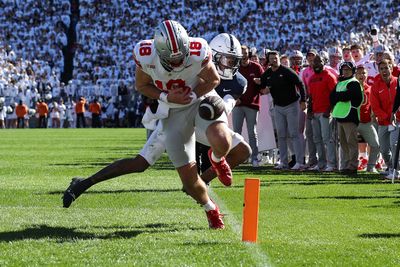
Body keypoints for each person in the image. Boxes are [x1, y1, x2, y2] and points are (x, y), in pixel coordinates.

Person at [64, 21, 234, 229]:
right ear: (159, 52)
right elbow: (141, 85)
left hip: (199, 101)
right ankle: (210, 209)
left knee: (224, 141)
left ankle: (216, 159)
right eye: (172, 59)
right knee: (186, 180)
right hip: (171, 112)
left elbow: (213, 80)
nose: (179, 62)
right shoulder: (145, 54)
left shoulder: (198, 50)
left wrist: (191, 95)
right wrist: (165, 95)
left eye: (182, 56)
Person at [195, 33, 251, 176]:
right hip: (193, 121)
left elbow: (226, 107)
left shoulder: (239, 82)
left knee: (210, 157)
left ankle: (204, 181)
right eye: (227, 59)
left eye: (234, 60)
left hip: (215, 123)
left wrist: (219, 105)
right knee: (192, 159)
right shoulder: (199, 71)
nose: (230, 64)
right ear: (214, 56)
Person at [256, 50, 307, 170]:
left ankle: (300, 161)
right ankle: (284, 162)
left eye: (276, 58)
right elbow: (261, 85)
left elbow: (300, 83)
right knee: (281, 135)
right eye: (272, 58)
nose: (274, 60)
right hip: (278, 106)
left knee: (294, 133)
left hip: (292, 105)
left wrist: (303, 100)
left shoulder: (286, 71)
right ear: (268, 61)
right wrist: (261, 84)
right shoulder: (268, 73)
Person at [233, 45, 265, 167]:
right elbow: (229, 82)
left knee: (252, 132)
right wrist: (235, 98)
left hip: (252, 104)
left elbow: (264, 82)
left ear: (249, 53)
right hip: (238, 104)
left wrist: (260, 82)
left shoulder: (256, 66)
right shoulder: (234, 67)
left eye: (245, 52)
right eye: (241, 52)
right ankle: (237, 158)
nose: (244, 54)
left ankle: (255, 158)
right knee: (236, 133)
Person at [330, 62, 363, 175]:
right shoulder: (340, 83)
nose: (345, 71)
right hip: (340, 116)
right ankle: (346, 166)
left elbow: (349, 96)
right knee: (344, 144)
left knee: (351, 143)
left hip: (350, 116)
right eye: (344, 69)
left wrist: (340, 96)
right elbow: (332, 97)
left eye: (348, 69)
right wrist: (342, 96)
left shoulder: (354, 83)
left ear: (352, 70)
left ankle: (353, 167)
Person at [308, 55, 338, 171]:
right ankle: (321, 164)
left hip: (325, 112)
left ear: (324, 62)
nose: (316, 64)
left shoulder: (329, 76)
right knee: (317, 139)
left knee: (327, 138)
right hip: (315, 112)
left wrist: (329, 110)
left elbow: (334, 95)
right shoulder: (312, 78)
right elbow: (310, 96)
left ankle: (332, 164)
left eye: (318, 61)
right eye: (314, 62)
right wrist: (310, 111)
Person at [371, 59, 399, 179]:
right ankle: (389, 167)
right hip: (383, 122)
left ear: (391, 69)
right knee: (383, 149)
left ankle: (395, 170)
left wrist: (394, 117)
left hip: (397, 121)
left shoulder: (398, 82)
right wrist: (387, 117)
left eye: (386, 68)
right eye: (381, 69)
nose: (384, 71)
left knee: (395, 144)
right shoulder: (375, 86)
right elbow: (375, 106)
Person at [355, 65, 379, 173]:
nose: (362, 75)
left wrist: (373, 115)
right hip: (353, 122)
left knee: (375, 144)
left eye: (364, 73)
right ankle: (349, 166)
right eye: (359, 73)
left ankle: (371, 167)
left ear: (367, 75)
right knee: (348, 145)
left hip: (366, 122)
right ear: (355, 75)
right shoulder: (351, 88)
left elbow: (373, 105)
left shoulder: (370, 88)